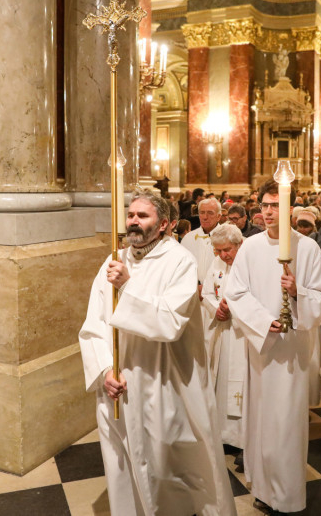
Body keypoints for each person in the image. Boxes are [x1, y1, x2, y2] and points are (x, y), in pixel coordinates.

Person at [78, 190, 235, 516]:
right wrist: (105, 369)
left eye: (142, 215)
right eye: (130, 215)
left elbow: (170, 323)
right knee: (123, 466)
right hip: (118, 385)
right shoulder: (113, 260)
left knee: (166, 472)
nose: (133, 221)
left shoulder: (179, 261)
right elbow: (95, 323)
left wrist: (127, 286)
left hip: (163, 385)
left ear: (164, 223)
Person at [225, 179, 321, 514]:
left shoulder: (308, 249)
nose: (269, 212)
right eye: (265, 205)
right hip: (262, 349)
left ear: (290, 208)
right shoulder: (250, 247)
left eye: (276, 205)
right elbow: (236, 292)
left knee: (286, 424)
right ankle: (263, 487)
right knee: (260, 421)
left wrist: (298, 293)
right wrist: (261, 321)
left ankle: (286, 497)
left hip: (291, 352)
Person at [200, 224, 247, 462]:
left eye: (227, 250)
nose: (222, 255)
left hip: (242, 336)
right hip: (221, 333)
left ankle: (244, 441)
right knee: (220, 384)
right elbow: (207, 293)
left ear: (240, 243)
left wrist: (234, 310)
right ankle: (223, 436)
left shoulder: (249, 261)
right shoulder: (217, 262)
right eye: (218, 251)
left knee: (241, 387)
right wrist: (215, 308)